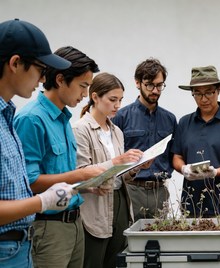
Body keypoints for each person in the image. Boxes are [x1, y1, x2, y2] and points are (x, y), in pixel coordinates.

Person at [14, 46, 103, 268]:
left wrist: (85, 184)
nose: (85, 95)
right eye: (82, 86)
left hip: (75, 222)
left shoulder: (63, 118)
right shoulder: (31, 119)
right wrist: (81, 174)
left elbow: (59, 175)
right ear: (61, 79)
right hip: (49, 227)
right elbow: (29, 182)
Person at [0, 18, 76, 268]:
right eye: (40, 69)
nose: (44, 79)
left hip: (21, 246)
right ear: (15, 63)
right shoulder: (28, 117)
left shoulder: (7, 116)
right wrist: (42, 201)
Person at [72, 72, 149, 267]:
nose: (117, 105)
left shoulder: (116, 131)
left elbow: (119, 174)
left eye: (120, 100)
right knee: (94, 259)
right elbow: (80, 173)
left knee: (116, 260)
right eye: (112, 99)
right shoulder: (81, 129)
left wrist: (135, 167)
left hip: (120, 200)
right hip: (95, 203)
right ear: (95, 97)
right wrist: (116, 161)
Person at [172, 65, 220, 217]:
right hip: (191, 200)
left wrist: (216, 172)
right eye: (198, 94)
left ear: (218, 90)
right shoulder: (184, 122)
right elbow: (177, 156)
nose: (204, 99)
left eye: (209, 92)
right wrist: (184, 169)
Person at [112, 58, 177, 220]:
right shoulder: (121, 116)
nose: (155, 90)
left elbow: (174, 154)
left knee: (158, 241)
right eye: (149, 84)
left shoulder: (170, 119)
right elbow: (113, 156)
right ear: (137, 83)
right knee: (128, 240)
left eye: (159, 85)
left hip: (160, 191)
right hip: (131, 189)